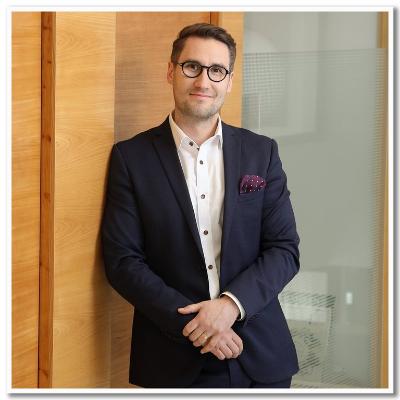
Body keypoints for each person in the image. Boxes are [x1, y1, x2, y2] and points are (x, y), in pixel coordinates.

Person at [101, 22, 300, 389]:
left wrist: (229, 306)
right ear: (171, 71)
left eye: (216, 70)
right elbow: (123, 261)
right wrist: (199, 326)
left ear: (229, 81)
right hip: (172, 356)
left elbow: (284, 250)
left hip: (259, 355)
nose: (203, 81)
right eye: (191, 66)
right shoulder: (131, 158)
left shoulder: (262, 152)